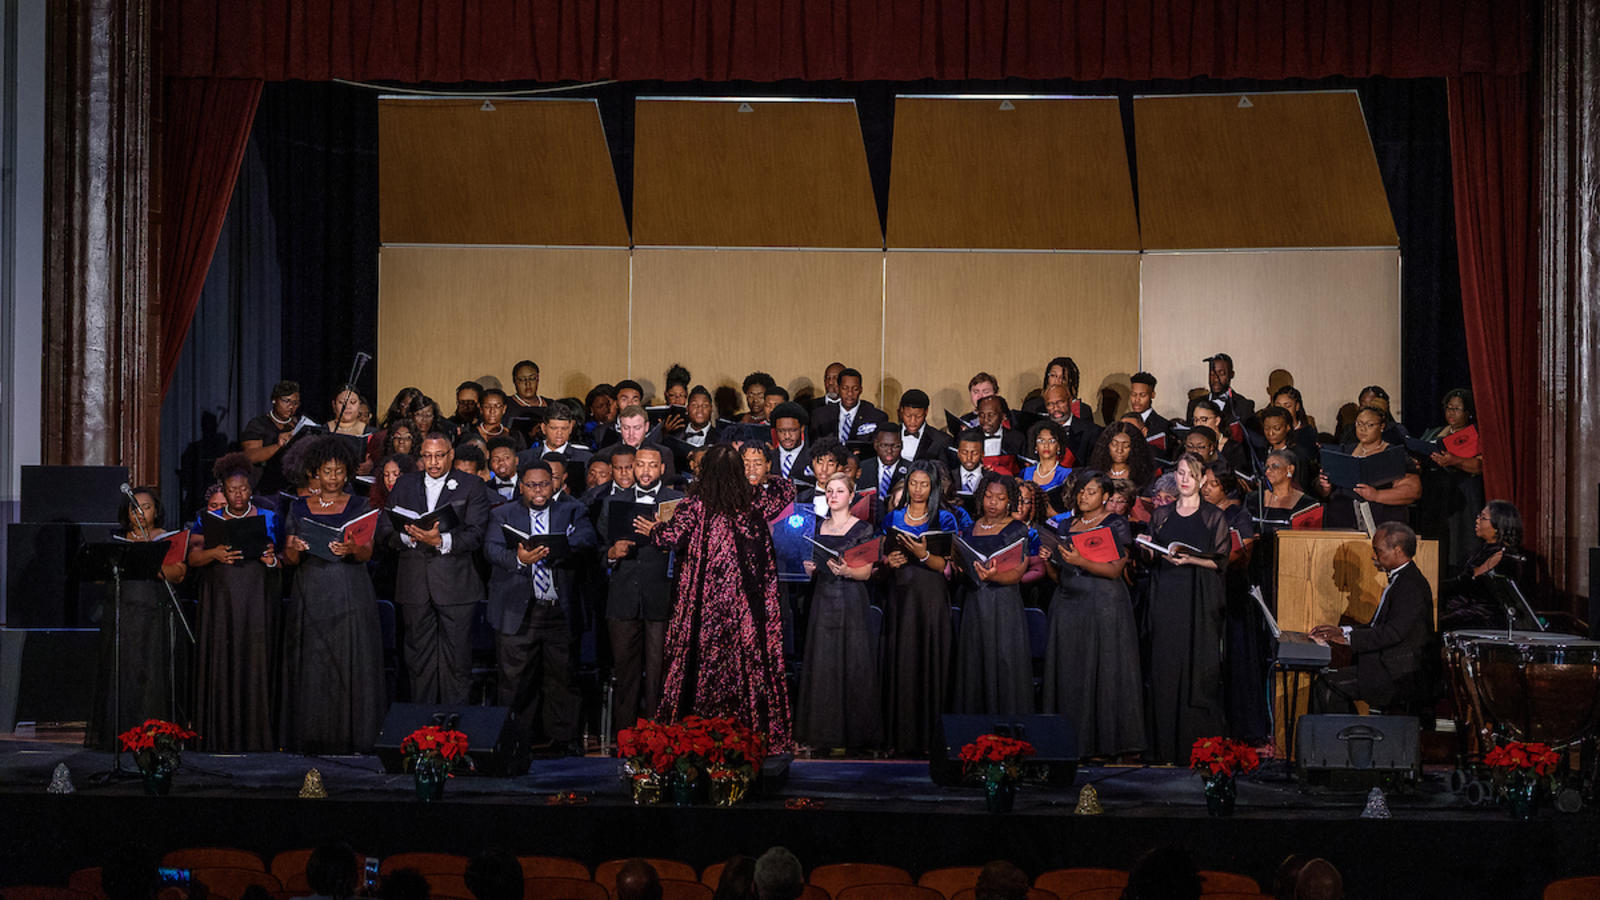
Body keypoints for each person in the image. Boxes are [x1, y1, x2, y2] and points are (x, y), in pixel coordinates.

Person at [636, 443, 795, 749]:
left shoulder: (695, 505)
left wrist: (653, 530)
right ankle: (747, 732)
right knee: (744, 665)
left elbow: (672, 537)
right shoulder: (754, 502)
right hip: (743, 610)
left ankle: (697, 731)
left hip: (702, 610)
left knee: (700, 663)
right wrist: (757, 476)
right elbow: (785, 488)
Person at [484, 460, 599, 753]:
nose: (539, 490)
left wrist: (558, 548)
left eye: (545, 484)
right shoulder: (503, 515)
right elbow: (493, 550)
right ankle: (515, 742)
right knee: (515, 681)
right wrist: (522, 560)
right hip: (518, 610)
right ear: (521, 486)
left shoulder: (572, 510)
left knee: (562, 678)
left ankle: (563, 743)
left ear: (555, 484)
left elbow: (586, 539)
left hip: (559, 610)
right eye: (532, 485)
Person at [279, 437, 385, 752]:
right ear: (315, 473)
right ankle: (311, 736)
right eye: (327, 472)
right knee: (313, 662)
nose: (334, 478)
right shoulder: (298, 507)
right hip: (311, 590)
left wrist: (352, 548)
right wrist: (295, 547)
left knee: (349, 659)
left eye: (339, 471)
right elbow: (289, 559)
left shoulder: (361, 505)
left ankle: (352, 736)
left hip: (349, 589)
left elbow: (366, 552)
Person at [377, 432, 493, 704]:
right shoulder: (405, 484)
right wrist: (409, 537)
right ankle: (423, 729)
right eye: (427, 456)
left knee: (457, 659)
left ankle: (455, 727)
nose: (433, 462)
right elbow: (384, 529)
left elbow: (476, 534)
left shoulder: (471, 485)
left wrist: (440, 540)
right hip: (414, 583)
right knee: (418, 659)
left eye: (439, 455)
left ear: (451, 455)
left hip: (456, 586)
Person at [1042, 470, 1146, 759]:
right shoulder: (1067, 524)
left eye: (1090, 491)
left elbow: (1114, 570)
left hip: (1103, 605)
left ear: (1104, 496)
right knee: (1072, 671)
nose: (1083, 496)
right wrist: (1049, 560)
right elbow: (1057, 574)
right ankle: (1072, 741)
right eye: (1080, 491)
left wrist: (1080, 560)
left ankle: (1105, 743)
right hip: (1068, 604)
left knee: (1103, 670)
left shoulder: (1115, 523)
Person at [187, 452, 280, 751]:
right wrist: (214, 554)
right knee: (222, 659)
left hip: (254, 596)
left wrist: (271, 558)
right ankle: (219, 735)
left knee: (253, 660)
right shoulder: (208, 520)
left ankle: (255, 736)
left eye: (243, 489)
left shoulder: (268, 516)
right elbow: (193, 557)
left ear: (250, 489)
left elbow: (281, 558)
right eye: (231, 490)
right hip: (221, 598)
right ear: (223, 492)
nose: (238, 494)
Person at [1142, 453, 1231, 764]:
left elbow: (1220, 560)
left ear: (1202, 479)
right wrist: (1146, 546)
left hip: (1199, 597)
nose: (1183, 479)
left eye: (1190, 474)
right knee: (1165, 666)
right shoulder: (1162, 515)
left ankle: (1196, 749)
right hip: (1166, 594)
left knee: (1198, 666)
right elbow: (1153, 557)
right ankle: (1163, 747)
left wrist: (1190, 558)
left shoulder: (1213, 517)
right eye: (1180, 473)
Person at [86, 486, 187, 750]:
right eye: (135, 507)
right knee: (122, 671)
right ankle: (118, 734)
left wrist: (148, 557)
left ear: (156, 511)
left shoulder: (167, 538)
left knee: (151, 671)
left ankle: (153, 736)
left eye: (146, 507)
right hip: (122, 614)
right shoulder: (118, 539)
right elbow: (98, 576)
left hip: (153, 613)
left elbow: (178, 574)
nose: (140, 512)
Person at [795, 472, 883, 753]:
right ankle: (822, 734)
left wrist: (847, 570)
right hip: (823, 600)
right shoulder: (817, 527)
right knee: (823, 663)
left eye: (839, 491)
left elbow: (866, 573)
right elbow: (808, 566)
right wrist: (808, 569)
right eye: (829, 491)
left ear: (851, 496)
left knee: (853, 662)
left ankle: (855, 736)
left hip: (852, 601)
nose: (833, 496)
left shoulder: (862, 530)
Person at [1311, 522, 1437, 714]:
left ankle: (1350, 741)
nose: (1373, 556)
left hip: (1398, 672)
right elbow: (1377, 626)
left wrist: (1347, 639)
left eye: (1378, 551)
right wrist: (1342, 631)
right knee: (1327, 681)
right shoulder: (1402, 579)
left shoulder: (1411, 585)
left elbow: (1393, 633)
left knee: (1329, 686)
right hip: (1386, 664)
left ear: (1398, 550)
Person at [601, 446, 683, 732]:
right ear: (632, 467)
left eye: (652, 465)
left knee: (660, 673)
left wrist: (664, 534)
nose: (646, 470)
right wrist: (612, 552)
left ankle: (660, 735)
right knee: (625, 672)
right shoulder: (612, 501)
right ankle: (625, 738)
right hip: (623, 599)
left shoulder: (678, 501)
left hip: (663, 597)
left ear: (662, 469)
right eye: (640, 464)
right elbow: (595, 550)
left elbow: (690, 549)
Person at [880, 461, 957, 756]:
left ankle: (930, 740)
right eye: (914, 483)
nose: (918, 489)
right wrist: (890, 562)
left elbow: (948, 567)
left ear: (933, 487)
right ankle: (900, 738)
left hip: (931, 597)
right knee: (902, 661)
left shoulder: (944, 519)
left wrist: (923, 554)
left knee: (929, 662)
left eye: (924, 484)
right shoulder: (893, 517)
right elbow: (883, 559)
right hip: (901, 596)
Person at [952, 474, 1036, 715]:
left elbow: (1018, 572)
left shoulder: (1016, 528)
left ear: (1009, 501)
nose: (993, 502)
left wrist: (993, 576)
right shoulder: (970, 528)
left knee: (1004, 661)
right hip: (975, 601)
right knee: (974, 661)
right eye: (988, 496)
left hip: (1003, 603)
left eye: (1000, 498)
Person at [1201, 461, 1269, 745]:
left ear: (1226, 487)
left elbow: (1243, 554)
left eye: (1212, 484)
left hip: (1232, 592)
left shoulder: (1237, 514)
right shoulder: (1198, 511)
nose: (1205, 488)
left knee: (1234, 658)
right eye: (1203, 483)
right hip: (1205, 589)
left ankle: (1241, 728)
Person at [1314, 405, 1421, 530]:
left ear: (1382, 427)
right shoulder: (1344, 451)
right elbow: (1322, 489)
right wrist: (1325, 487)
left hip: (1382, 522)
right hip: (1342, 521)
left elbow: (1413, 490)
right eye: (1359, 423)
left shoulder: (1394, 455)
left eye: (1369, 425)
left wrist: (1376, 495)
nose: (1362, 429)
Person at [1418, 388, 1486, 568]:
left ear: (1468, 412)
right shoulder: (1435, 432)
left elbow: (1479, 466)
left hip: (1463, 493)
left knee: (1460, 540)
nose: (1451, 413)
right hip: (1435, 492)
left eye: (1457, 409)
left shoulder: (1475, 434)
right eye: (1448, 408)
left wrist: (1454, 460)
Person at [1439, 500, 1529, 630]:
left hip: (1484, 618)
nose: (1477, 521)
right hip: (1464, 610)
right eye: (1478, 516)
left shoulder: (1505, 557)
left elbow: (1472, 585)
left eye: (1483, 518)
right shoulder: (1482, 551)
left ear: (1499, 525)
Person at [239, 380, 304, 495]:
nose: (291, 406)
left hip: (293, 484)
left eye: (295, 403)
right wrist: (278, 445)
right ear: (274, 400)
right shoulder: (258, 424)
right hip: (265, 486)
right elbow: (250, 456)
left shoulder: (299, 424)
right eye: (286, 401)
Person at [810, 367, 888, 446]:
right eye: (845, 388)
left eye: (855, 389)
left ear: (861, 390)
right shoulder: (820, 416)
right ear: (838, 389)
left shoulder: (876, 417)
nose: (850, 393)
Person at [1087, 420, 1156, 492]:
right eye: (1114, 444)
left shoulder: (1143, 477)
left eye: (1126, 446)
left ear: (1134, 449)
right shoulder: (1095, 474)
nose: (1119, 450)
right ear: (1106, 446)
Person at [1021, 420, 1072, 511]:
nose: (1046, 445)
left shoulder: (1067, 474)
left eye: (1052, 441)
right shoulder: (1025, 472)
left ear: (1059, 446)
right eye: (1041, 440)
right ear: (1035, 446)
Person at [896, 388, 951, 462]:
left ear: (926, 412)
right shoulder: (889, 434)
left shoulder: (940, 440)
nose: (913, 421)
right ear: (901, 411)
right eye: (908, 416)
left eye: (918, 416)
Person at [1204, 352, 1255, 426]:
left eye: (1221, 374)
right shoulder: (1195, 404)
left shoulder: (1244, 406)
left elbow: (1253, 436)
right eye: (1212, 374)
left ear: (1231, 374)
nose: (1215, 379)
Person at [475, 388, 528, 453]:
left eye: (497, 406)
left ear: (504, 409)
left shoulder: (515, 436)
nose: (492, 411)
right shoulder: (470, 434)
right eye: (487, 406)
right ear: (480, 409)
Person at [1128, 371, 1173, 443]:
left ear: (1152, 395)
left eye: (1142, 395)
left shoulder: (1162, 425)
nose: (1137, 399)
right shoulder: (1125, 420)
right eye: (1133, 394)